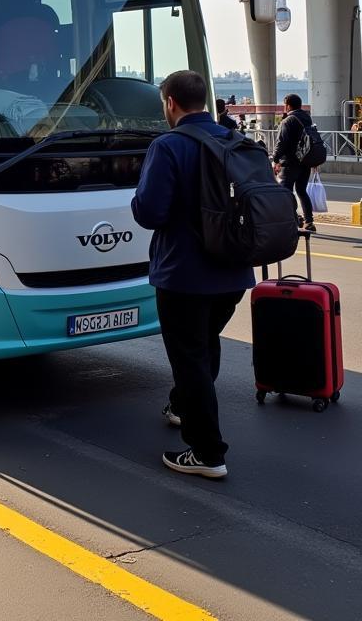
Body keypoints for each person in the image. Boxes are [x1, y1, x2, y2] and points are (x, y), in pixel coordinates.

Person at [131, 70, 254, 480]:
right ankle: (182, 407)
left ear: (169, 102)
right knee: (203, 345)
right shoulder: (232, 139)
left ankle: (207, 452)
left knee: (190, 359)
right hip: (234, 272)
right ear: (204, 100)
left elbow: (150, 212)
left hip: (184, 273)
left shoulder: (168, 146)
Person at [272, 93, 316, 232]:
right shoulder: (307, 118)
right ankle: (309, 222)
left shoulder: (288, 121)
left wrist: (275, 159)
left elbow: (282, 142)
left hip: (290, 163)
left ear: (288, 105)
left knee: (286, 193)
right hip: (305, 161)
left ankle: (294, 219)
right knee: (302, 191)